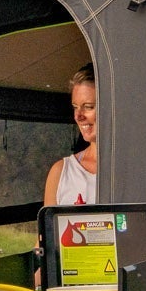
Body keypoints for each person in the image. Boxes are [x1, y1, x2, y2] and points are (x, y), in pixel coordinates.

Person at [43, 64, 97, 207]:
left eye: (88, 107)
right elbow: (49, 229)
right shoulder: (60, 172)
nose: (78, 116)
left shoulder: (136, 169)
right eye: (75, 107)